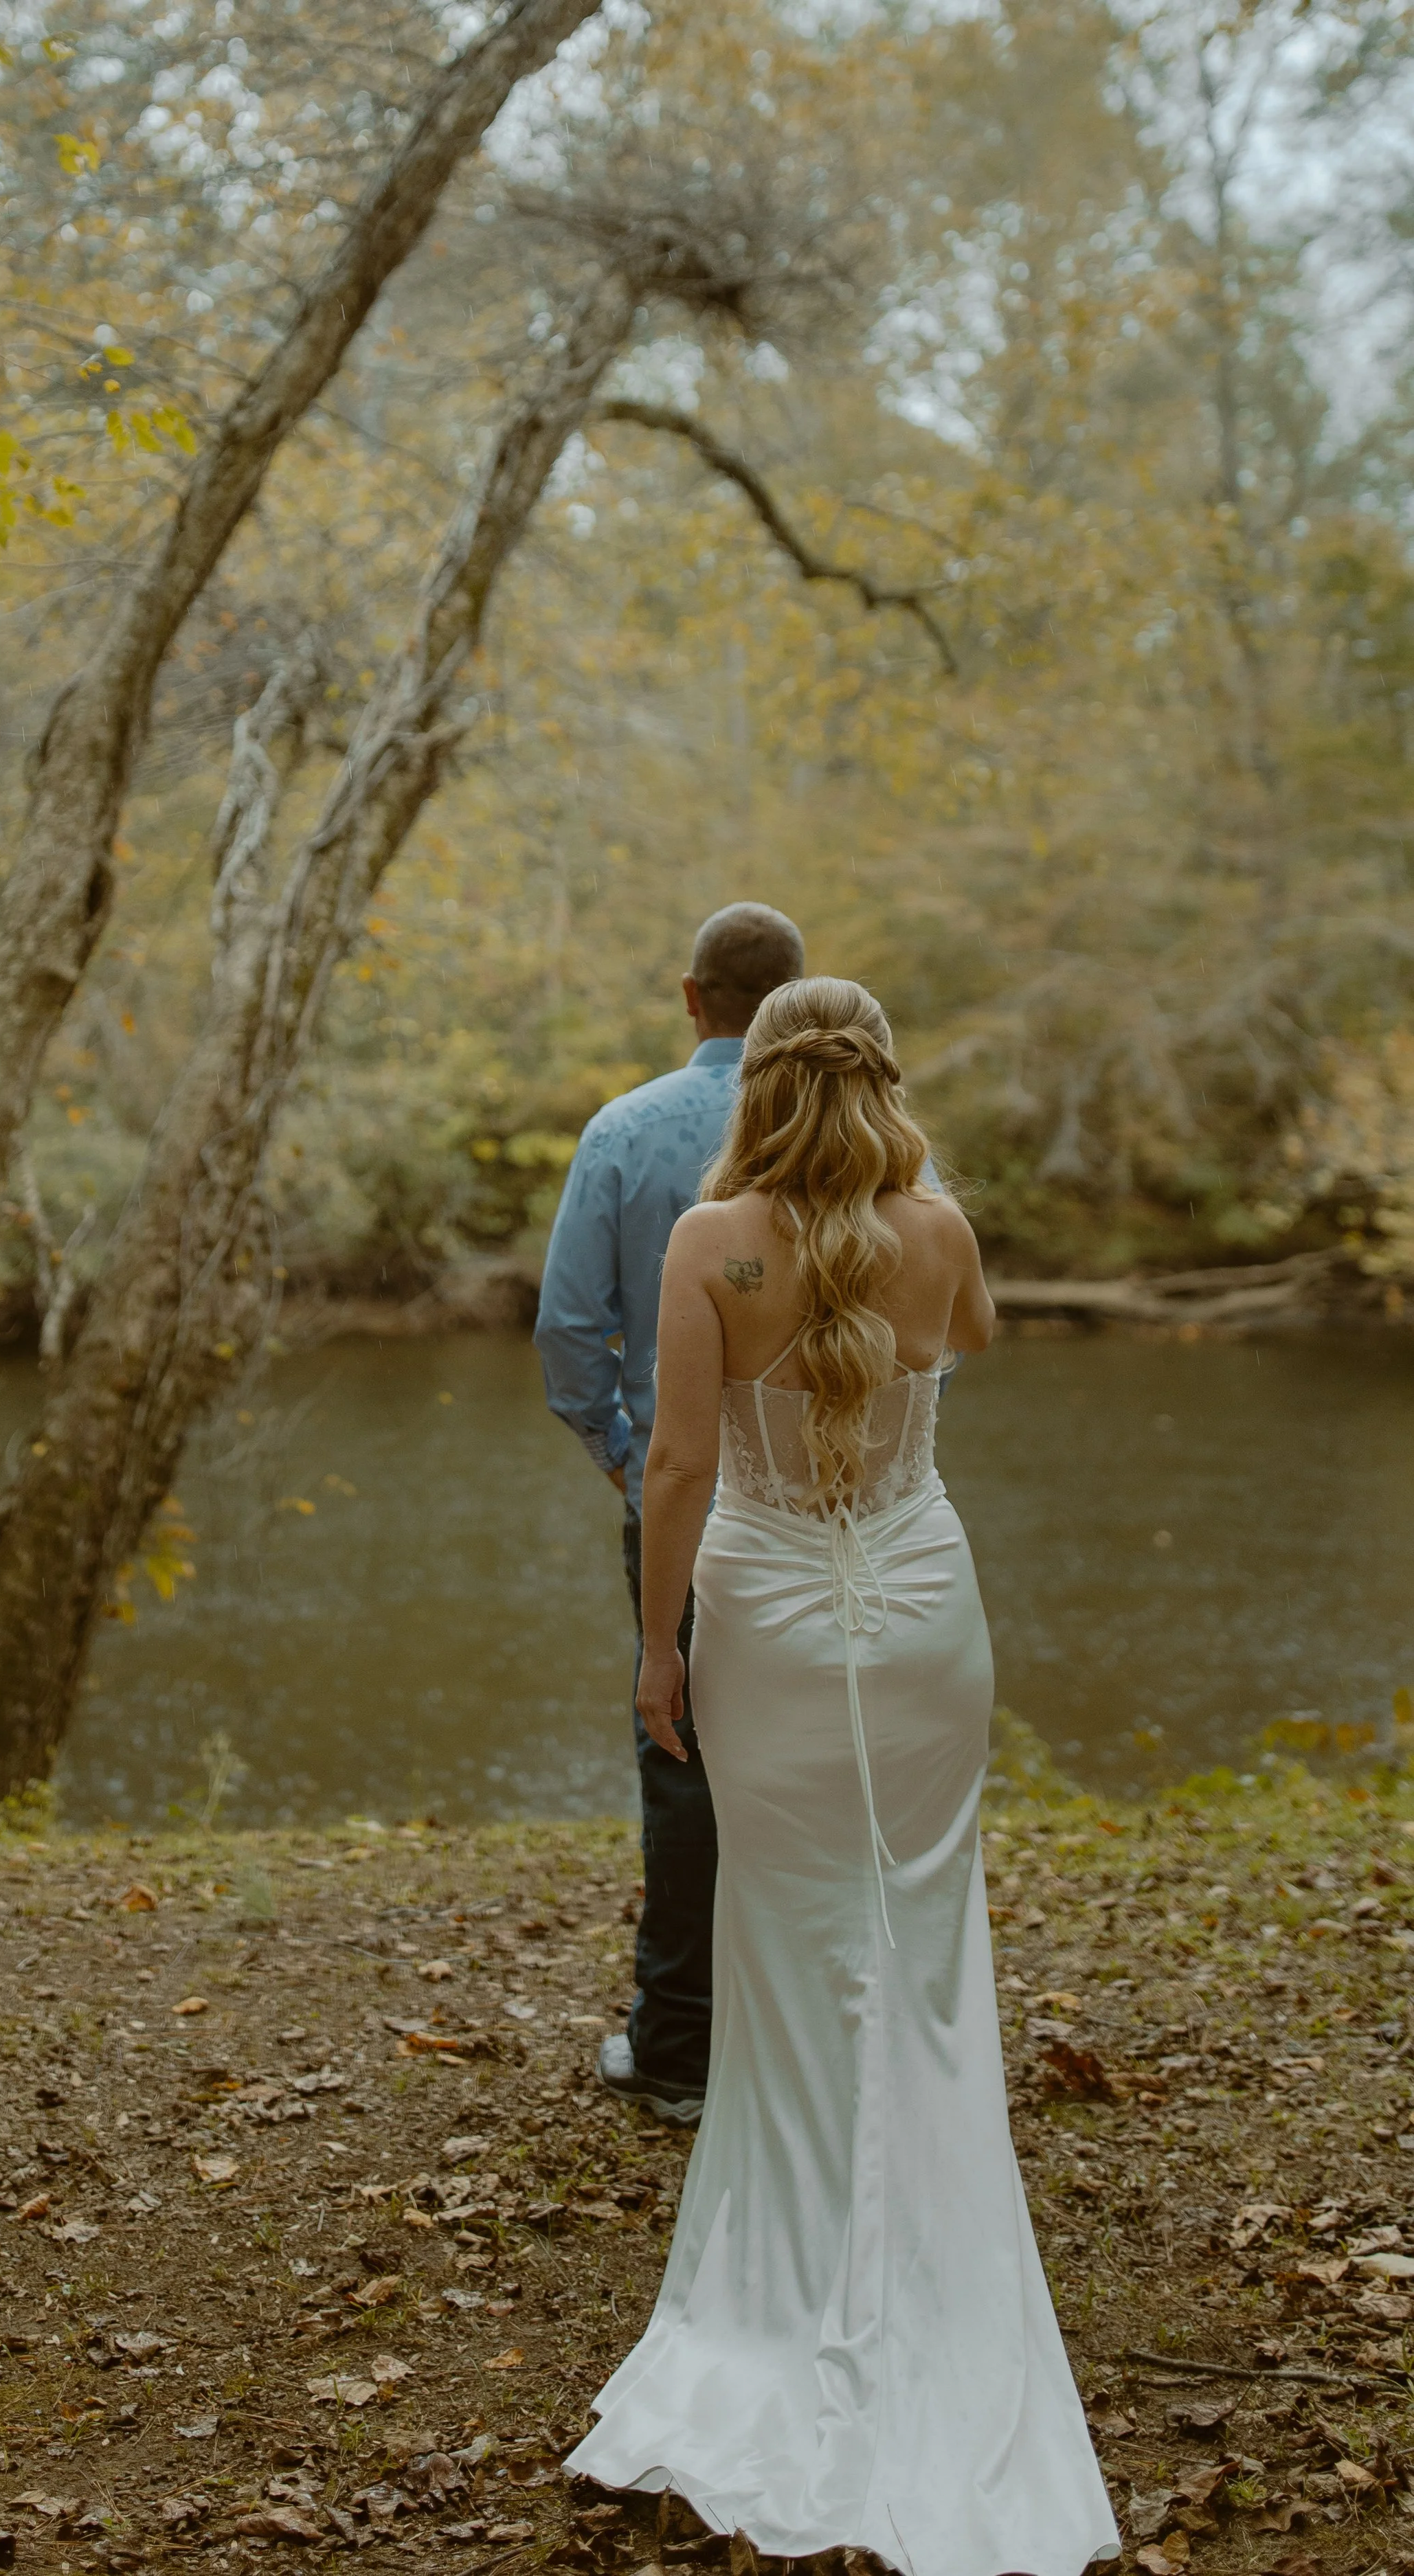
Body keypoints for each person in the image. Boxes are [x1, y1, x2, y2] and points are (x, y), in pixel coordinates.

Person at [565, 978, 1119, 2573]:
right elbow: (970, 1338)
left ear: (755, 1082)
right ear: (880, 1083)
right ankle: (936, 2245)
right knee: (919, 1937)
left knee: (787, 1932)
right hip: (922, 1609)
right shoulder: (933, 1230)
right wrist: (902, 1209)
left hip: (769, 1621)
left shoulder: (709, 1242)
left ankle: (796, 2261)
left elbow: (679, 1461)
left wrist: (657, 1647)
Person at [536, 903, 807, 2125]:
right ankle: (803, 2034)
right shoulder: (861, 1139)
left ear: (693, 996)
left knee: (685, 1755)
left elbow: (568, 1333)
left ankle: (682, 2048)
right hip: (826, 1504)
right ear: (797, 998)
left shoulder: (626, 1131)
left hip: (682, 1503)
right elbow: (929, 1335)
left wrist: (624, 1453)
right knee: (817, 1752)